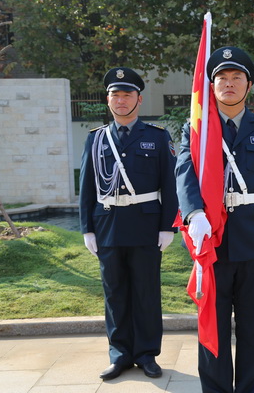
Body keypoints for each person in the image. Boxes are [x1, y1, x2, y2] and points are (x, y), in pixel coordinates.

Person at [175, 46, 254, 393]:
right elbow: (183, 173)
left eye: (236, 77)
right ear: (211, 86)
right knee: (212, 326)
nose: (229, 83)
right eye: (222, 78)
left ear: (249, 85)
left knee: (253, 328)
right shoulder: (197, 129)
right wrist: (194, 213)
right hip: (212, 240)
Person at [79, 67, 178, 381]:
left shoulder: (157, 137)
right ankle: (119, 354)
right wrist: (87, 228)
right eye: (115, 95)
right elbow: (87, 187)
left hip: (146, 226)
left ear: (139, 99)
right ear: (108, 100)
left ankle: (147, 354)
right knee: (114, 293)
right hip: (107, 225)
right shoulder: (96, 138)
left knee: (146, 292)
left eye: (127, 94)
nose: (120, 100)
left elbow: (170, 185)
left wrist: (168, 226)